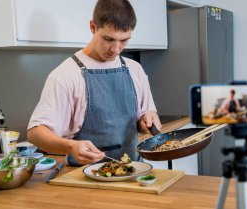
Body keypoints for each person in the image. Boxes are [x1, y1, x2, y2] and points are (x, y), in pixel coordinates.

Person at [27, 0, 161, 166]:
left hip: (132, 171)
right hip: (84, 179)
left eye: (124, 40)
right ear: (93, 27)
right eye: (108, 39)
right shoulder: (65, 75)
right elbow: (35, 133)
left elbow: (145, 118)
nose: (116, 49)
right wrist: (71, 146)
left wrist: (147, 120)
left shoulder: (135, 69)